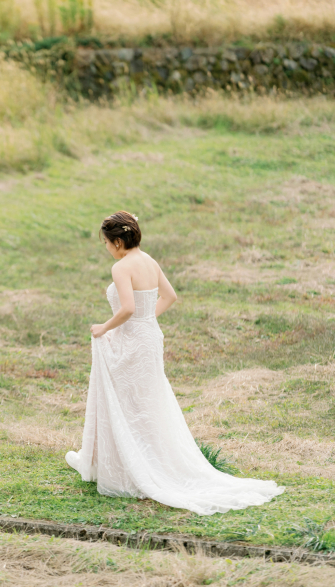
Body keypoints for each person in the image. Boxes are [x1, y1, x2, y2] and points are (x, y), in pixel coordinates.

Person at [65, 211, 283, 515]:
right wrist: (145, 319)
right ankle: (114, 459)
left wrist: (105, 327)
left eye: (105, 242)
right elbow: (170, 296)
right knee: (147, 402)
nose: (106, 248)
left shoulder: (121, 267)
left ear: (117, 241)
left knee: (127, 401)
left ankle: (126, 467)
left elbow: (127, 307)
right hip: (149, 337)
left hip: (131, 340)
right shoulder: (149, 261)